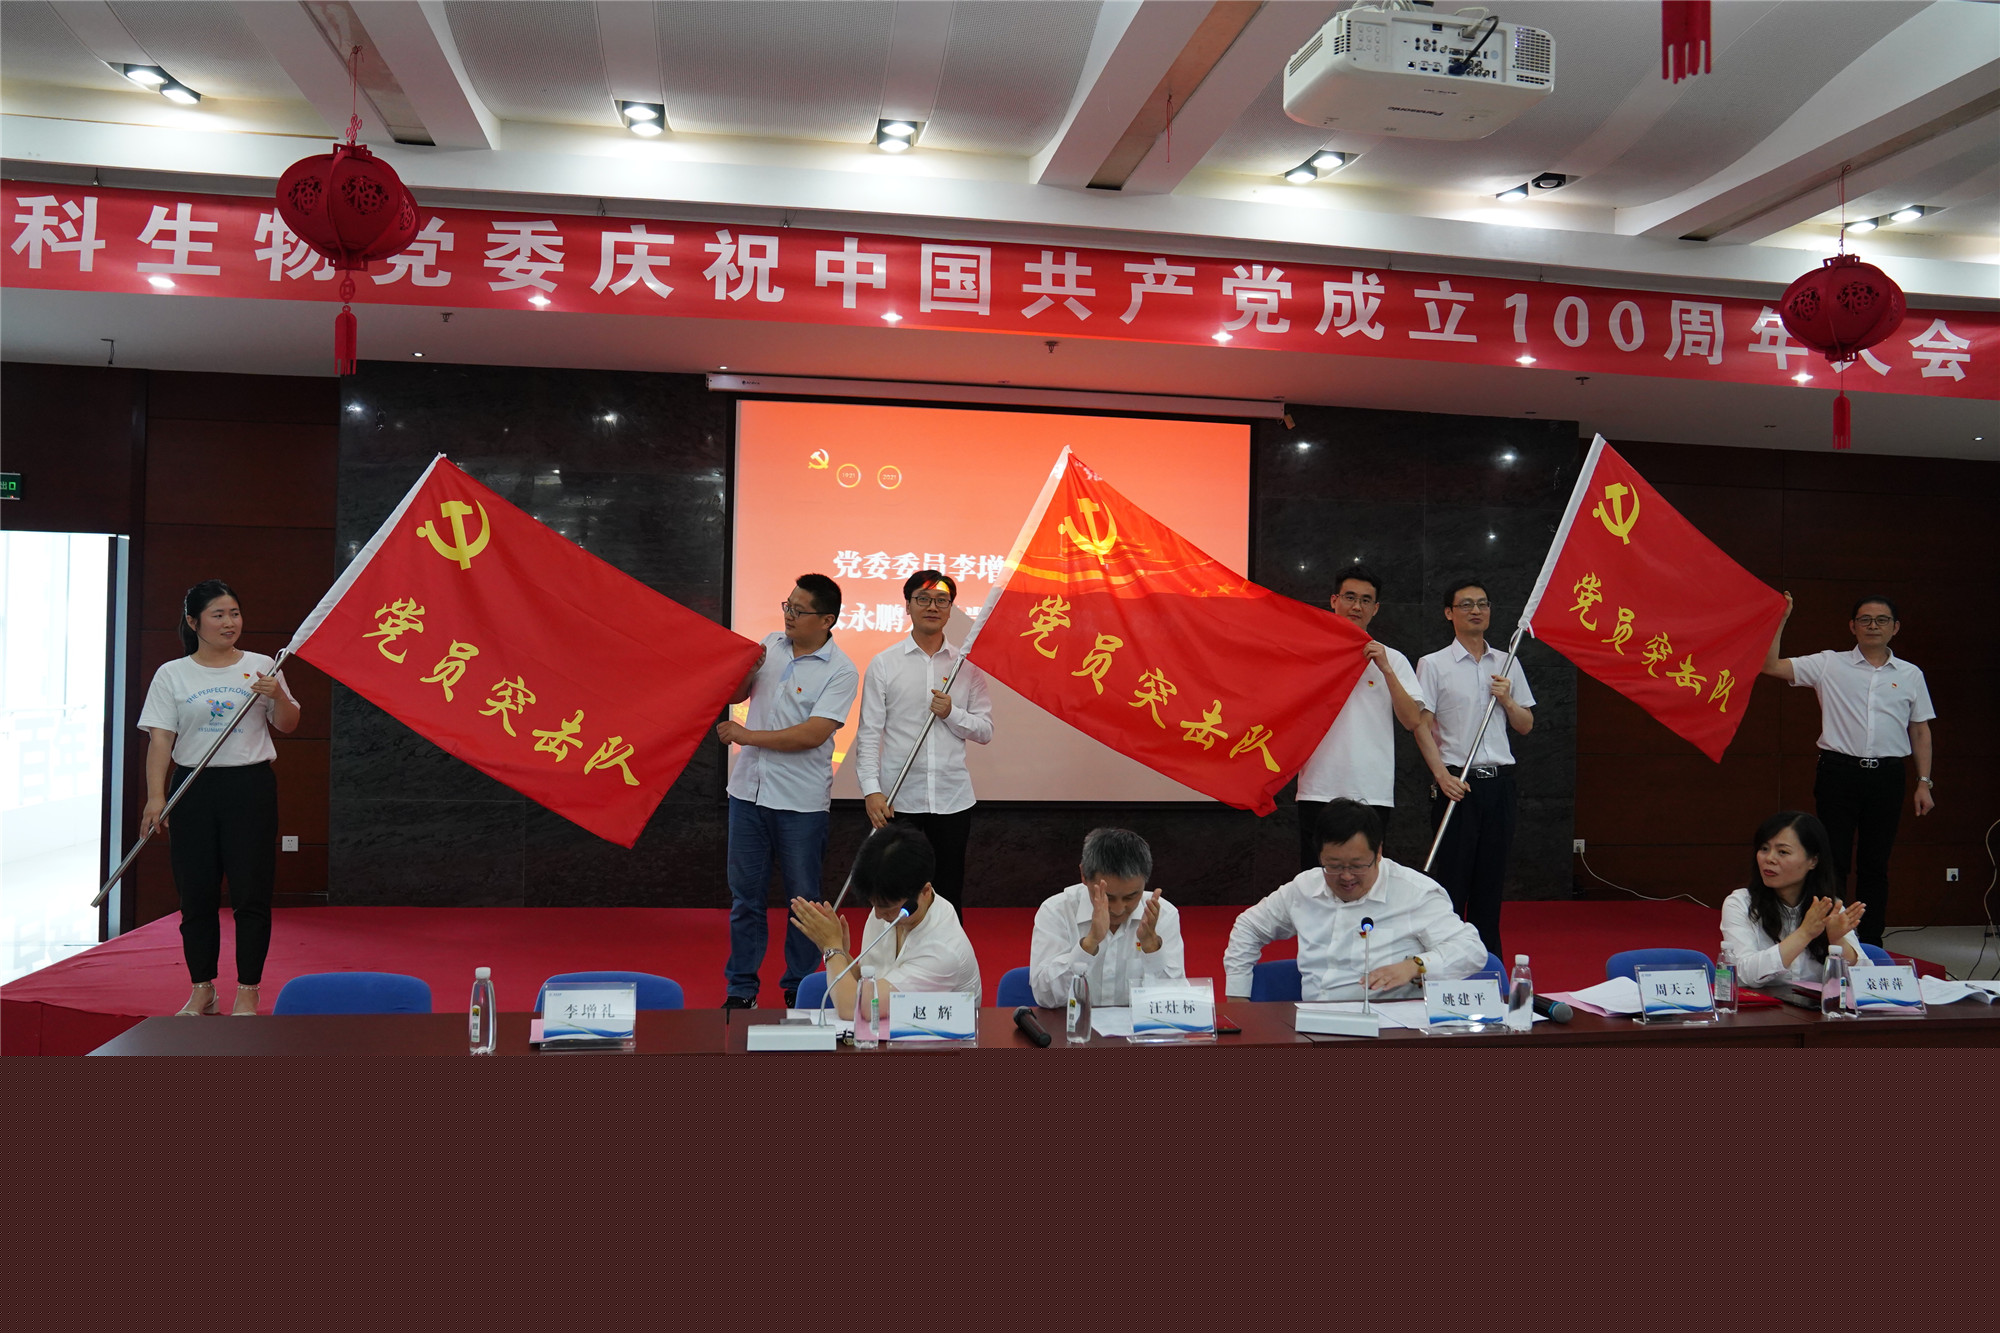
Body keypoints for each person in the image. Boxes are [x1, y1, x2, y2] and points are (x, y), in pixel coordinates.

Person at [136, 580, 300, 1017]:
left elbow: (288, 723)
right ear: (193, 622)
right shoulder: (172, 674)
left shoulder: (263, 665)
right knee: (196, 894)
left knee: (250, 893)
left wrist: (278, 695)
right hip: (193, 788)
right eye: (218, 615)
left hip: (250, 788)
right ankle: (202, 988)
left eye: (235, 613)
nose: (230, 623)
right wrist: (156, 798)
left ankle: (248, 989)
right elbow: (160, 740)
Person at [716, 572, 859, 1009]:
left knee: (804, 902)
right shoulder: (771, 645)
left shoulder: (841, 670)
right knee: (745, 899)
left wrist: (747, 736)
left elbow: (812, 734)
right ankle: (741, 989)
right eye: (787, 606)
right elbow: (736, 694)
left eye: (799, 610)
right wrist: (746, 670)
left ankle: (799, 987)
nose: (789, 615)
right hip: (748, 793)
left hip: (800, 802)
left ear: (827, 620)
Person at [1761, 593, 1935, 948]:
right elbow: (1771, 665)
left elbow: (1920, 730)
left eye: (1882, 620)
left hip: (1887, 776)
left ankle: (1869, 942)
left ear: (1895, 628)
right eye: (1865, 619)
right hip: (1839, 773)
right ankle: (1831, 939)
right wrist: (1781, 618)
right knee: (1832, 860)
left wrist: (1924, 782)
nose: (1873, 626)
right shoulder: (1829, 663)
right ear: (1852, 626)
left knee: (1875, 862)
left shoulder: (1910, 674)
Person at [1224, 799, 1485, 1003]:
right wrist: (1238, 995)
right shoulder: (1304, 888)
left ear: (1378, 852)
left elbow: (1471, 950)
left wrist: (1415, 966)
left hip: (1388, 1031)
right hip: (1313, 1027)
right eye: (1334, 866)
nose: (1346, 876)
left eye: (1358, 865)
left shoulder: (1415, 893)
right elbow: (1249, 927)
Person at [854, 570, 993, 915]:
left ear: (950, 608)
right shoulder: (884, 664)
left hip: (952, 798)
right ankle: (896, 948)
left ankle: (947, 950)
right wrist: (871, 791)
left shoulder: (967, 666)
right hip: (899, 799)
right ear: (908, 605)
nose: (932, 606)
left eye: (941, 600)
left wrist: (951, 713)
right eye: (923, 599)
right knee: (896, 891)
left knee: (948, 891)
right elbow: (869, 734)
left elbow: (985, 731)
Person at [1414, 578, 1534, 960]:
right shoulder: (1433, 664)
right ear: (1449, 613)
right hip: (1457, 786)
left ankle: (1487, 966)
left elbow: (1525, 724)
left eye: (1482, 603)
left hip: (1499, 786)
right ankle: (1446, 963)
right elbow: (1421, 726)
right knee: (1451, 885)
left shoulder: (1507, 662)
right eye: (1466, 604)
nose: (1476, 610)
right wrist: (1441, 776)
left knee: (1490, 885)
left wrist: (1508, 700)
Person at [1294, 565, 1426, 872]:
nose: (1357, 606)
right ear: (1334, 601)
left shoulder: (1392, 659)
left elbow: (1412, 720)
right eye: (1350, 597)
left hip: (1371, 789)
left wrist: (1386, 670)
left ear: (1375, 608)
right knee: (1315, 877)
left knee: (1365, 877)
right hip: (1318, 785)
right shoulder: (1308, 653)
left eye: (1366, 600)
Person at [789, 825, 982, 1022]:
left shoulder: (943, 950)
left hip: (935, 1038)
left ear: (924, 892)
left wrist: (832, 948)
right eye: (873, 905)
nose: (878, 915)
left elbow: (856, 1008)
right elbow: (868, 983)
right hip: (891, 1029)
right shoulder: (889, 907)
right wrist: (842, 954)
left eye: (887, 908)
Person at [1028, 827, 1185, 1008]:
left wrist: (1152, 948)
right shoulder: (1056, 911)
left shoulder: (1162, 914)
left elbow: (1175, 1001)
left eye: (1131, 897)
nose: (1118, 910)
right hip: (1074, 1024)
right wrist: (1090, 943)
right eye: (1107, 897)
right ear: (1084, 875)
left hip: (1137, 1026)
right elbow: (1046, 997)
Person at [1719, 811, 1866, 990]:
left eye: (1783, 852)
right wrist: (1804, 933)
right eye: (1764, 849)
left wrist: (1837, 941)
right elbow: (1743, 973)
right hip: (1761, 1007)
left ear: (1813, 861)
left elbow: (1865, 980)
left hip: (1817, 1007)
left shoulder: (1829, 907)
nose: (1769, 859)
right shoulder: (1741, 903)